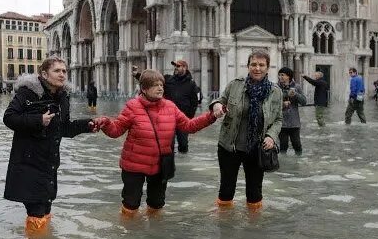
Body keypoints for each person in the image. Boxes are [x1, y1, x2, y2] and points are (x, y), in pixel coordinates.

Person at [97, 69, 215, 216]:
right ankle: (129, 233)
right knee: (131, 204)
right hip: (134, 165)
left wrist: (211, 116)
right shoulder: (132, 107)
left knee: (157, 204)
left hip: (160, 164)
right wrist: (106, 123)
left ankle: (154, 234)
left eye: (161, 85)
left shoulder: (170, 107)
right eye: (155, 85)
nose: (160, 88)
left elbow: (189, 126)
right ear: (144, 89)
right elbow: (116, 131)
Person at [3, 57, 100, 234]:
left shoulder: (63, 96)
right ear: (44, 74)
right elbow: (9, 118)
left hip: (49, 164)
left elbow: (64, 128)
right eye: (57, 71)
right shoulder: (27, 93)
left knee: (45, 211)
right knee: (37, 213)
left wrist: (88, 125)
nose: (62, 74)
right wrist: (38, 120)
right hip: (28, 163)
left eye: (64, 71)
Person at [208, 51, 283, 210]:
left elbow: (278, 119)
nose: (257, 68)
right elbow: (220, 101)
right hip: (229, 146)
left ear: (268, 68)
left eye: (261, 65)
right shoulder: (235, 85)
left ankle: (254, 229)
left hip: (257, 149)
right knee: (226, 190)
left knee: (254, 194)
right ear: (248, 66)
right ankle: (225, 227)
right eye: (253, 64)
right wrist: (216, 106)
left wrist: (271, 136)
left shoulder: (275, 92)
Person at [164, 59, 201, 154]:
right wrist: (137, 75)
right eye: (175, 66)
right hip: (168, 119)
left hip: (183, 119)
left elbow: (195, 102)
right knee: (168, 146)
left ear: (185, 68)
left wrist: (189, 118)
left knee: (183, 145)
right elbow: (152, 81)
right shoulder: (168, 79)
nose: (176, 68)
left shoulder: (191, 83)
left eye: (178, 66)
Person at [276, 67, 304, 156]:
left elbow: (304, 102)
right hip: (281, 122)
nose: (280, 77)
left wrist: (296, 94)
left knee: (297, 145)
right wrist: (282, 104)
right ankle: (283, 166)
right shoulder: (276, 87)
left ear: (288, 76)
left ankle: (298, 164)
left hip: (294, 123)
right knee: (283, 146)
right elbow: (271, 105)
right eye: (279, 75)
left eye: (282, 75)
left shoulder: (297, 86)